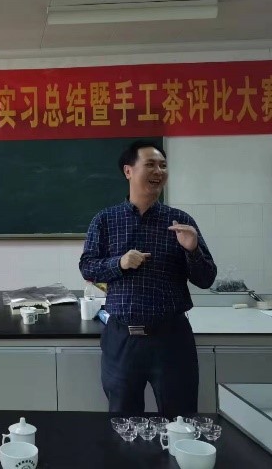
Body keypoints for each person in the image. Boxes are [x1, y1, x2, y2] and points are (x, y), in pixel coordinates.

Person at [79, 140, 217, 416]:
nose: (159, 171)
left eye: (163, 166)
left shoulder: (180, 222)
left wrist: (192, 250)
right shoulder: (105, 220)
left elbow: (206, 279)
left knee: (180, 419)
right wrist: (119, 263)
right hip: (122, 338)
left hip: (171, 338)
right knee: (123, 420)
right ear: (128, 171)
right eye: (151, 164)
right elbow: (88, 268)